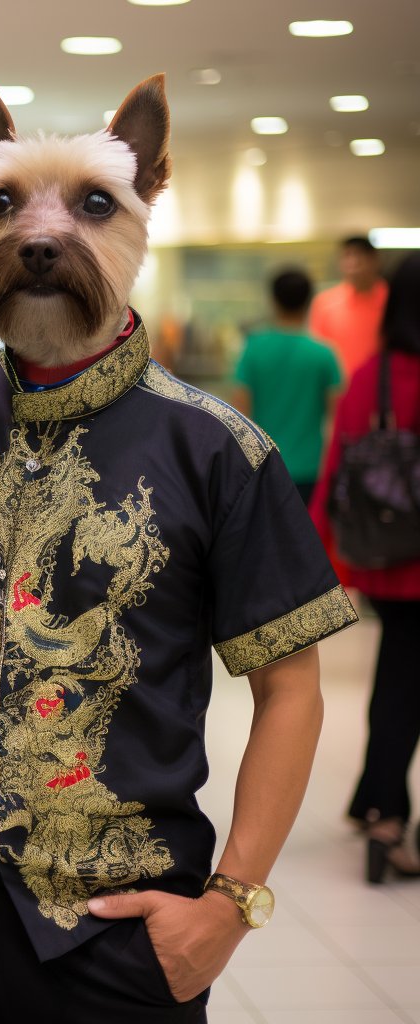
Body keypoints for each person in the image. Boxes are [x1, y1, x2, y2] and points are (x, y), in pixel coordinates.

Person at [310, 252, 420, 883]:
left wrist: (322, 548)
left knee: (397, 681)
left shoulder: (371, 376)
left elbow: (340, 468)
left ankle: (381, 810)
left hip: (392, 561)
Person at [232, 268, 342, 506]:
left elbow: (238, 416)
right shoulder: (324, 354)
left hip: (263, 466)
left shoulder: (253, 350)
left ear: (273, 301)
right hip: (312, 469)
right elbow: (337, 418)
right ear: (309, 302)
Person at [309, 236, 388, 378]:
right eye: (347, 255)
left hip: (381, 385)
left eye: (359, 255)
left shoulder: (391, 300)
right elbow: (317, 352)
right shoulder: (325, 302)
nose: (353, 262)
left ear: (374, 260)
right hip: (340, 387)